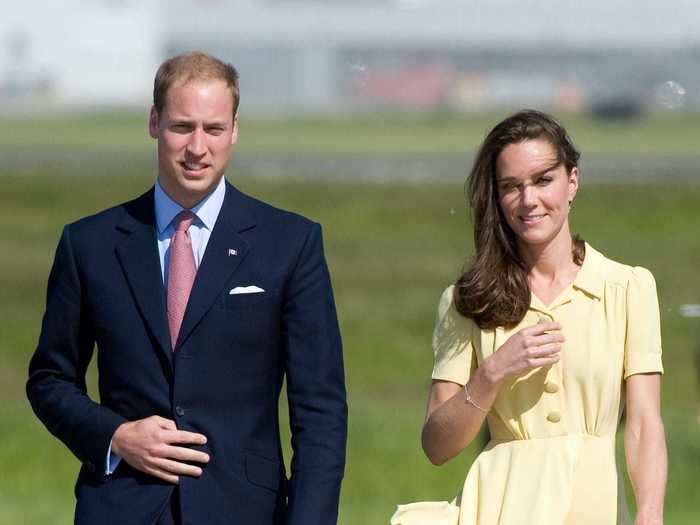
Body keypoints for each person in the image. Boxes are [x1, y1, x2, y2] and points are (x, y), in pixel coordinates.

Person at [27, 51, 347, 525]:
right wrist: (115, 436)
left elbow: (320, 410)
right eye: (182, 127)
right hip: (120, 508)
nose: (197, 147)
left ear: (235, 129)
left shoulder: (290, 244)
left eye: (213, 129)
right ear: (154, 122)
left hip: (244, 510)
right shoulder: (88, 244)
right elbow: (49, 380)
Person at [391, 110, 666, 525]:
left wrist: (649, 512)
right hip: (498, 507)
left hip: (592, 506)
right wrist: (493, 373)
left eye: (543, 180)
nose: (529, 200)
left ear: (572, 181)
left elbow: (644, 425)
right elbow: (437, 446)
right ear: (497, 197)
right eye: (511, 187)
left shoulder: (628, 288)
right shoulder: (465, 300)